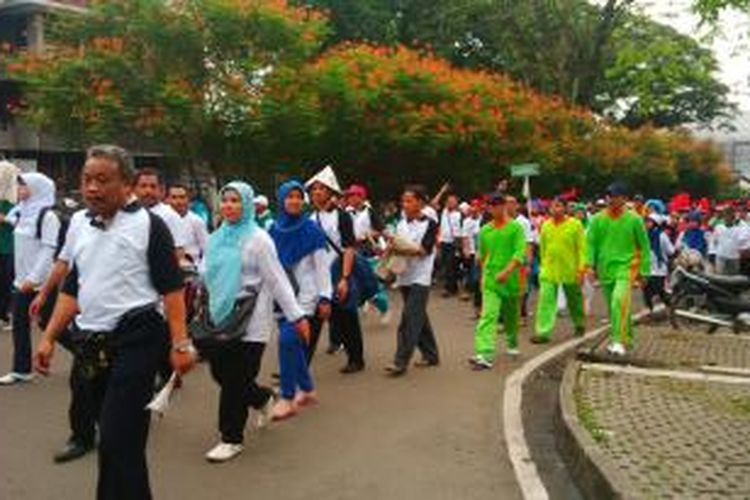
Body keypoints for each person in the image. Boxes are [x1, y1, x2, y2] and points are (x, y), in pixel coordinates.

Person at [34, 144, 196, 500]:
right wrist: (48, 338)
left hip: (138, 337)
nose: (92, 188)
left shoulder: (149, 225)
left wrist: (180, 343)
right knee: (116, 441)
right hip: (92, 343)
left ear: (128, 185)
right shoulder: (80, 225)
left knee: (117, 435)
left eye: (103, 180)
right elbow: (73, 289)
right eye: (87, 179)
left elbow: (171, 289)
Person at [202, 180, 308, 462]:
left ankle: (231, 438)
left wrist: (296, 316)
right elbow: (206, 274)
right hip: (220, 318)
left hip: (252, 322)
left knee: (235, 380)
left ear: (247, 204)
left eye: (235, 201)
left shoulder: (259, 239)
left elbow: (277, 280)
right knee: (221, 375)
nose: (229, 206)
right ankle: (262, 398)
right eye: (225, 200)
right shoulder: (216, 237)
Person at [269, 180, 331, 419]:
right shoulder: (273, 229)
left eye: (298, 196)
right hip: (282, 297)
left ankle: (287, 397)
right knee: (293, 344)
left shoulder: (312, 229)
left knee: (286, 341)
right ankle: (306, 389)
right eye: (289, 196)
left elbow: (322, 267)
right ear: (281, 200)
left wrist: (325, 297)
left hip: (307, 297)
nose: (294, 201)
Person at [0, 172, 61, 385]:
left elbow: (48, 250)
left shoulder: (47, 216)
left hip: (40, 283)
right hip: (22, 281)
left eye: (23, 186)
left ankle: (85, 353)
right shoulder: (23, 212)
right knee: (20, 325)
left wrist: (34, 278)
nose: (19, 190)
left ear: (36, 188)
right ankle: (21, 369)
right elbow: (12, 221)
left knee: (52, 325)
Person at [306, 166, 365, 373]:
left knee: (345, 319)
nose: (316, 193)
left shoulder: (342, 217)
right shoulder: (310, 218)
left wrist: (345, 278)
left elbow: (349, 248)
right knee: (312, 320)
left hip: (338, 272)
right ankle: (299, 365)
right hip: (316, 278)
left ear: (331, 192)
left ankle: (356, 359)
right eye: (313, 190)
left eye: (321, 189)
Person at [586, 182, 651, 356]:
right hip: (605, 269)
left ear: (624, 199)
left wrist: (644, 271)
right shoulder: (597, 220)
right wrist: (590, 266)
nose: (610, 199)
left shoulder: (634, 219)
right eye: (608, 196)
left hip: (627, 268)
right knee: (617, 307)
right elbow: (590, 244)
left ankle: (617, 341)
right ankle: (627, 338)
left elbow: (644, 246)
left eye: (614, 196)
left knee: (618, 301)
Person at [384, 185, 440, 377]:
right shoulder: (400, 224)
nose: (405, 204)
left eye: (409, 200)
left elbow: (423, 251)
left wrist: (398, 248)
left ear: (420, 202)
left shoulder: (430, 224)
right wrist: (389, 250)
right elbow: (398, 247)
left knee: (409, 318)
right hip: (404, 276)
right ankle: (431, 355)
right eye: (403, 201)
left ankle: (400, 361)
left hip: (421, 277)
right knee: (419, 317)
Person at [470, 193, 526, 370]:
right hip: (491, 280)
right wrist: (481, 272)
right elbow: (483, 255)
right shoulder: (485, 230)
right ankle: (484, 353)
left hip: (510, 280)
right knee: (489, 315)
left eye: (498, 205)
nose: (495, 209)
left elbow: (519, 253)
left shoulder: (516, 228)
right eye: (491, 206)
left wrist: (507, 271)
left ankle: (512, 342)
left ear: (504, 206)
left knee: (511, 317)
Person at [531, 198, 587, 344]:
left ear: (565, 208)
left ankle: (579, 324)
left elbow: (582, 249)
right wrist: (543, 266)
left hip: (571, 268)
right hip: (549, 269)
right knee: (545, 299)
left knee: (574, 299)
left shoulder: (576, 225)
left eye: (559, 206)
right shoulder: (546, 226)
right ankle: (543, 332)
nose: (555, 209)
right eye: (553, 206)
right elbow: (542, 248)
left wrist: (582, 269)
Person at [133, 168, 189, 262]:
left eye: (153, 186)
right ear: (134, 189)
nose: (148, 191)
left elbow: (178, 252)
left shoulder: (170, 216)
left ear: (161, 190)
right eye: (143, 186)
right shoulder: (126, 214)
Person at [167, 183, 209, 266]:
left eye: (182, 197)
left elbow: (206, 248)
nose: (178, 201)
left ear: (188, 199)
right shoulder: (162, 219)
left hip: (192, 267)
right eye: (174, 197)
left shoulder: (196, 221)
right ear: (168, 199)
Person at [643, 213, 674, 314]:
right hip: (648, 268)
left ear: (655, 223)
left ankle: (670, 307)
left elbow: (670, 251)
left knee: (660, 291)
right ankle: (650, 310)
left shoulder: (662, 236)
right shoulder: (645, 235)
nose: (646, 223)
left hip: (659, 269)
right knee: (646, 290)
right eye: (646, 221)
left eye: (649, 221)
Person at [0, 160, 18, 323]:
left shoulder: (16, 201)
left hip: (8, 247)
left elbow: (22, 222)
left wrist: (5, 219)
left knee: (6, 281)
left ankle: (4, 313)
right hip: (5, 246)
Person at [712, 205, 750, 275]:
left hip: (734, 258)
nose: (727, 217)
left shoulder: (739, 229)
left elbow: (742, 244)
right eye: (726, 214)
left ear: (733, 215)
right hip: (721, 256)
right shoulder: (718, 228)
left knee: (733, 277)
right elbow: (715, 241)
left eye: (729, 214)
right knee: (720, 277)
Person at [438, 192, 463, 297]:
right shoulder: (444, 212)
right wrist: (442, 191)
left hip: (454, 242)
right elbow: (433, 203)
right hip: (444, 242)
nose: (450, 203)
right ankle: (452, 288)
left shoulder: (459, 215)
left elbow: (461, 229)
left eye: (453, 201)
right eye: (448, 201)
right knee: (447, 265)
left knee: (451, 265)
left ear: (457, 203)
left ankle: (449, 288)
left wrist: (459, 244)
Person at [461, 198, 483, 316]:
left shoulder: (483, 220)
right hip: (472, 253)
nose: (474, 208)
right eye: (472, 206)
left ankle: (480, 307)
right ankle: (477, 307)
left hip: (482, 254)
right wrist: (466, 250)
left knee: (478, 279)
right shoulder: (466, 221)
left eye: (476, 206)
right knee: (474, 279)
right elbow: (465, 236)